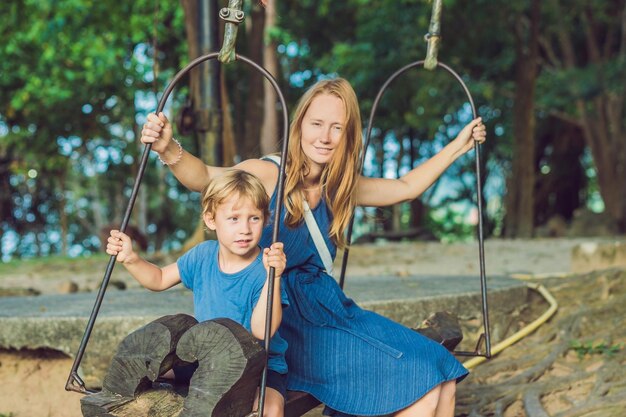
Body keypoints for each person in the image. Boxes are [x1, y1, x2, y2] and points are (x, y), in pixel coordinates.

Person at [140, 78, 487, 417]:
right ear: (299, 125)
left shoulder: (339, 186)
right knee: (422, 387)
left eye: (336, 127)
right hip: (284, 313)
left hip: (329, 306)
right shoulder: (267, 174)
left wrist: (460, 145)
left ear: (348, 135)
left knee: (441, 371)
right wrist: (168, 149)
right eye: (316, 123)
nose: (324, 137)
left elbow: (406, 187)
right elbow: (203, 177)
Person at [106, 169, 288, 417]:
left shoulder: (266, 268)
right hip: (206, 359)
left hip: (258, 367)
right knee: (145, 372)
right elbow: (158, 279)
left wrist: (273, 278)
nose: (245, 229)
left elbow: (261, 330)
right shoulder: (203, 255)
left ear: (266, 219)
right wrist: (130, 259)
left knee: (272, 409)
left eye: (254, 218)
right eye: (233, 218)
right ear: (211, 220)